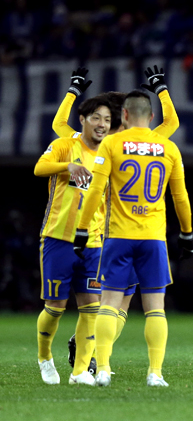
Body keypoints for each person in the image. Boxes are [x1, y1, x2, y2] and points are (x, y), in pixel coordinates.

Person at [55, 66, 181, 374]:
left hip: (96, 228)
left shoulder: (86, 140)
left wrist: (72, 92)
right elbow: (173, 122)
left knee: (105, 303)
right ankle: (94, 354)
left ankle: (91, 351)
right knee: (120, 303)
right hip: (125, 230)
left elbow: (59, 124)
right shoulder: (143, 144)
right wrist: (160, 89)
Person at [73, 89, 193, 387]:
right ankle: (155, 373)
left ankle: (101, 368)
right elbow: (180, 197)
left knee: (109, 304)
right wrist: (187, 233)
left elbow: (96, 190)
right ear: (151, 117)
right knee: (155, 307)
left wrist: (82, 229)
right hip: (153, 238)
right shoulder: (168, 147)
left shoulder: (112, 143)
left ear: (123, 116)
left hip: (118, 237)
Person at [34, 89, 113, 386]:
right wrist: (68, 167)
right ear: (82, 120)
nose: (102, 124)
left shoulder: (110, 155)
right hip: (58, 237)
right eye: (96, 118)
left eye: (107, 119)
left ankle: (80, 371)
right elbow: (39, 168)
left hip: (93, 241)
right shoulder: (65, 145)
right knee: (54, 308)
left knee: (92, 307)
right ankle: (44, 357)